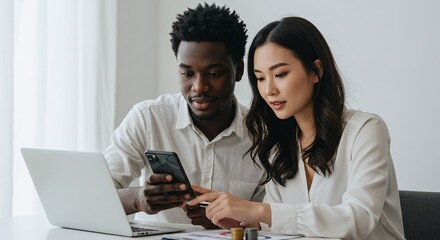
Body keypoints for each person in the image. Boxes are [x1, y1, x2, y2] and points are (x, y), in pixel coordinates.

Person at [188, 17, 405, 239]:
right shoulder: (280, 145)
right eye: (260, 78)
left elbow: (358, 220)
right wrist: (244, 220)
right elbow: (283, 224)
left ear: (316, 71)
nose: (268, 89)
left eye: (280, 74)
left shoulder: (366, 131)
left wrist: (259, 210)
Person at [103, 3, 265, 229]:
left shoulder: (263, 135)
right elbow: (95, 195)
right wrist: (139, 199)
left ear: (238, 70)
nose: (199, 87)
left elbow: (273, 220)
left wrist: (228, 221)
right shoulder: (148, 118)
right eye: (187, 73)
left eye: (213, 73)